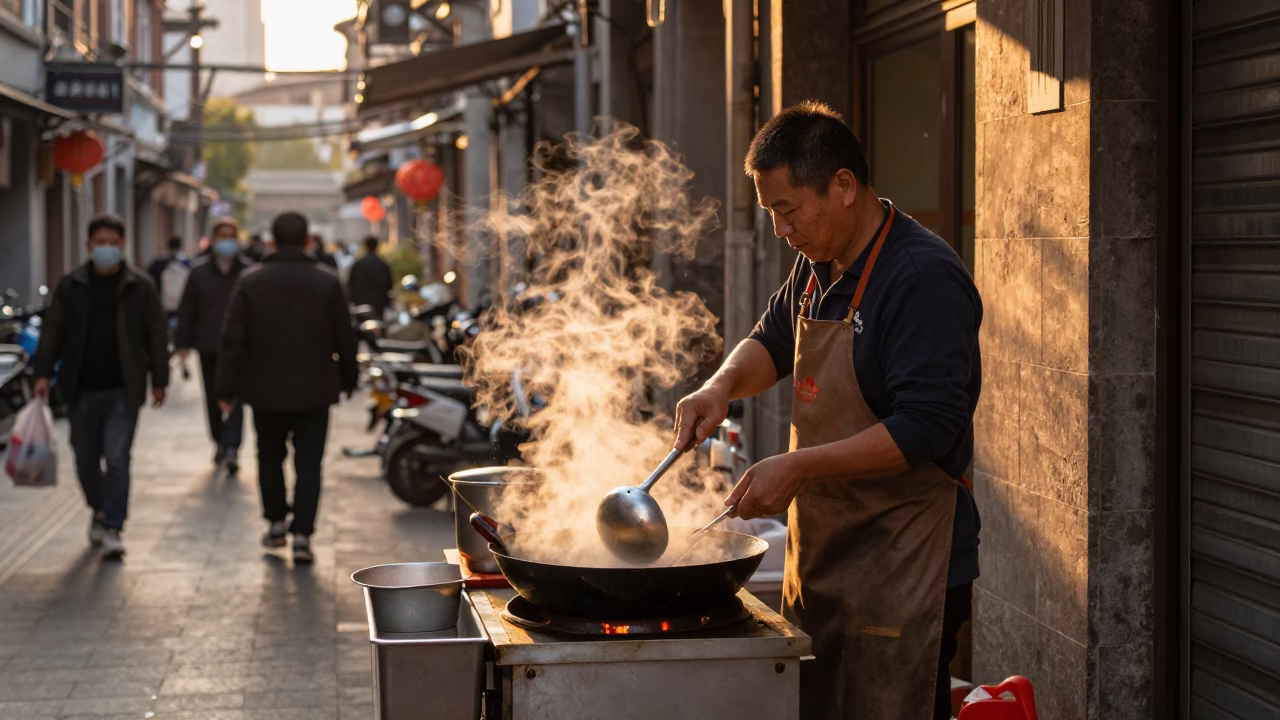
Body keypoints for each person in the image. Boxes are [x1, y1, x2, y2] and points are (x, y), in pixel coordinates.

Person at [672, 102, 982, 720]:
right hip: (825, 555)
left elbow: (927, 426)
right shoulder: (818, 264)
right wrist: (720, 387)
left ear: (843, 186)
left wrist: (799, 467)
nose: (781, 231)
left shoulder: (922, 278)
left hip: (905, 563)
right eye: (772, 215)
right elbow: (770, 338)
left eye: (788, 211)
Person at [217, 212, 358, 564]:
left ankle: (277, 523)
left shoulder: (251, 281)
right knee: (310, 463)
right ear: (308, 241)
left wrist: (226, 387)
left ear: (272, 242)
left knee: (269, 457)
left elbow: (233, 340)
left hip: (265, 391)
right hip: (315, 391)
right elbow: (346, 336)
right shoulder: (327, 282)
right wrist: (349, 379)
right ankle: (302, 536)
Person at [32, 214, 169, 560]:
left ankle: (113, 526)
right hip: (81, 388)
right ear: (89, 245)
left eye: (113, 243)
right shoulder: (72, 285)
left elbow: (156, 333)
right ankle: (99, 507)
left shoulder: (140, 286)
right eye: (100, 243)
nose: (106, 249)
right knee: (85, 458)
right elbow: (52, 332)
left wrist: (160, 379)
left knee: (119, 457)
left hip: (124, 388)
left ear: (122, 245)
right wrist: (43, 374)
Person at [176, 217, 252, 474]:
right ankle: (219, 440)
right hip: (208, 344)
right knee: (212, 396)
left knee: (238, 396)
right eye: (222, 236)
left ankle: (233, 445)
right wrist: (182, 343)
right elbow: (187, 310)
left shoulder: (248, 272)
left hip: (240, 348)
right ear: (213, 239)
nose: (227, 241)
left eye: (231, 236)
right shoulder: (198, 273)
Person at [347, 235, 394, 319]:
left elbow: (350, 284)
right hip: (378, 305)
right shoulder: (382, 264)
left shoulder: (358, 264)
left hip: (360, 305)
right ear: (377, 246)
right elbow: (389, 285)